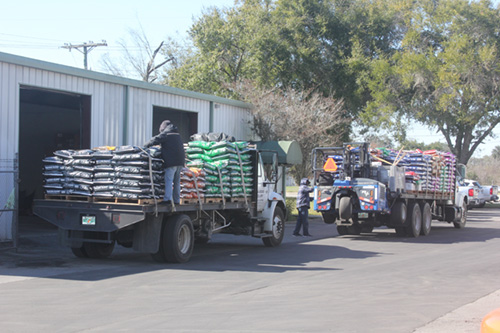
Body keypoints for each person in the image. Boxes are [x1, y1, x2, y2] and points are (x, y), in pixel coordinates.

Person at [144, 120, 185, 204]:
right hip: (180, 161)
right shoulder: (177, 134)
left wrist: (145, 146)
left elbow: (155, 140)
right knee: (177, 181)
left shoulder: (166, 134)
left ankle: (168, 199)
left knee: (169, 180)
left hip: (171, 162)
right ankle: (176, 200)